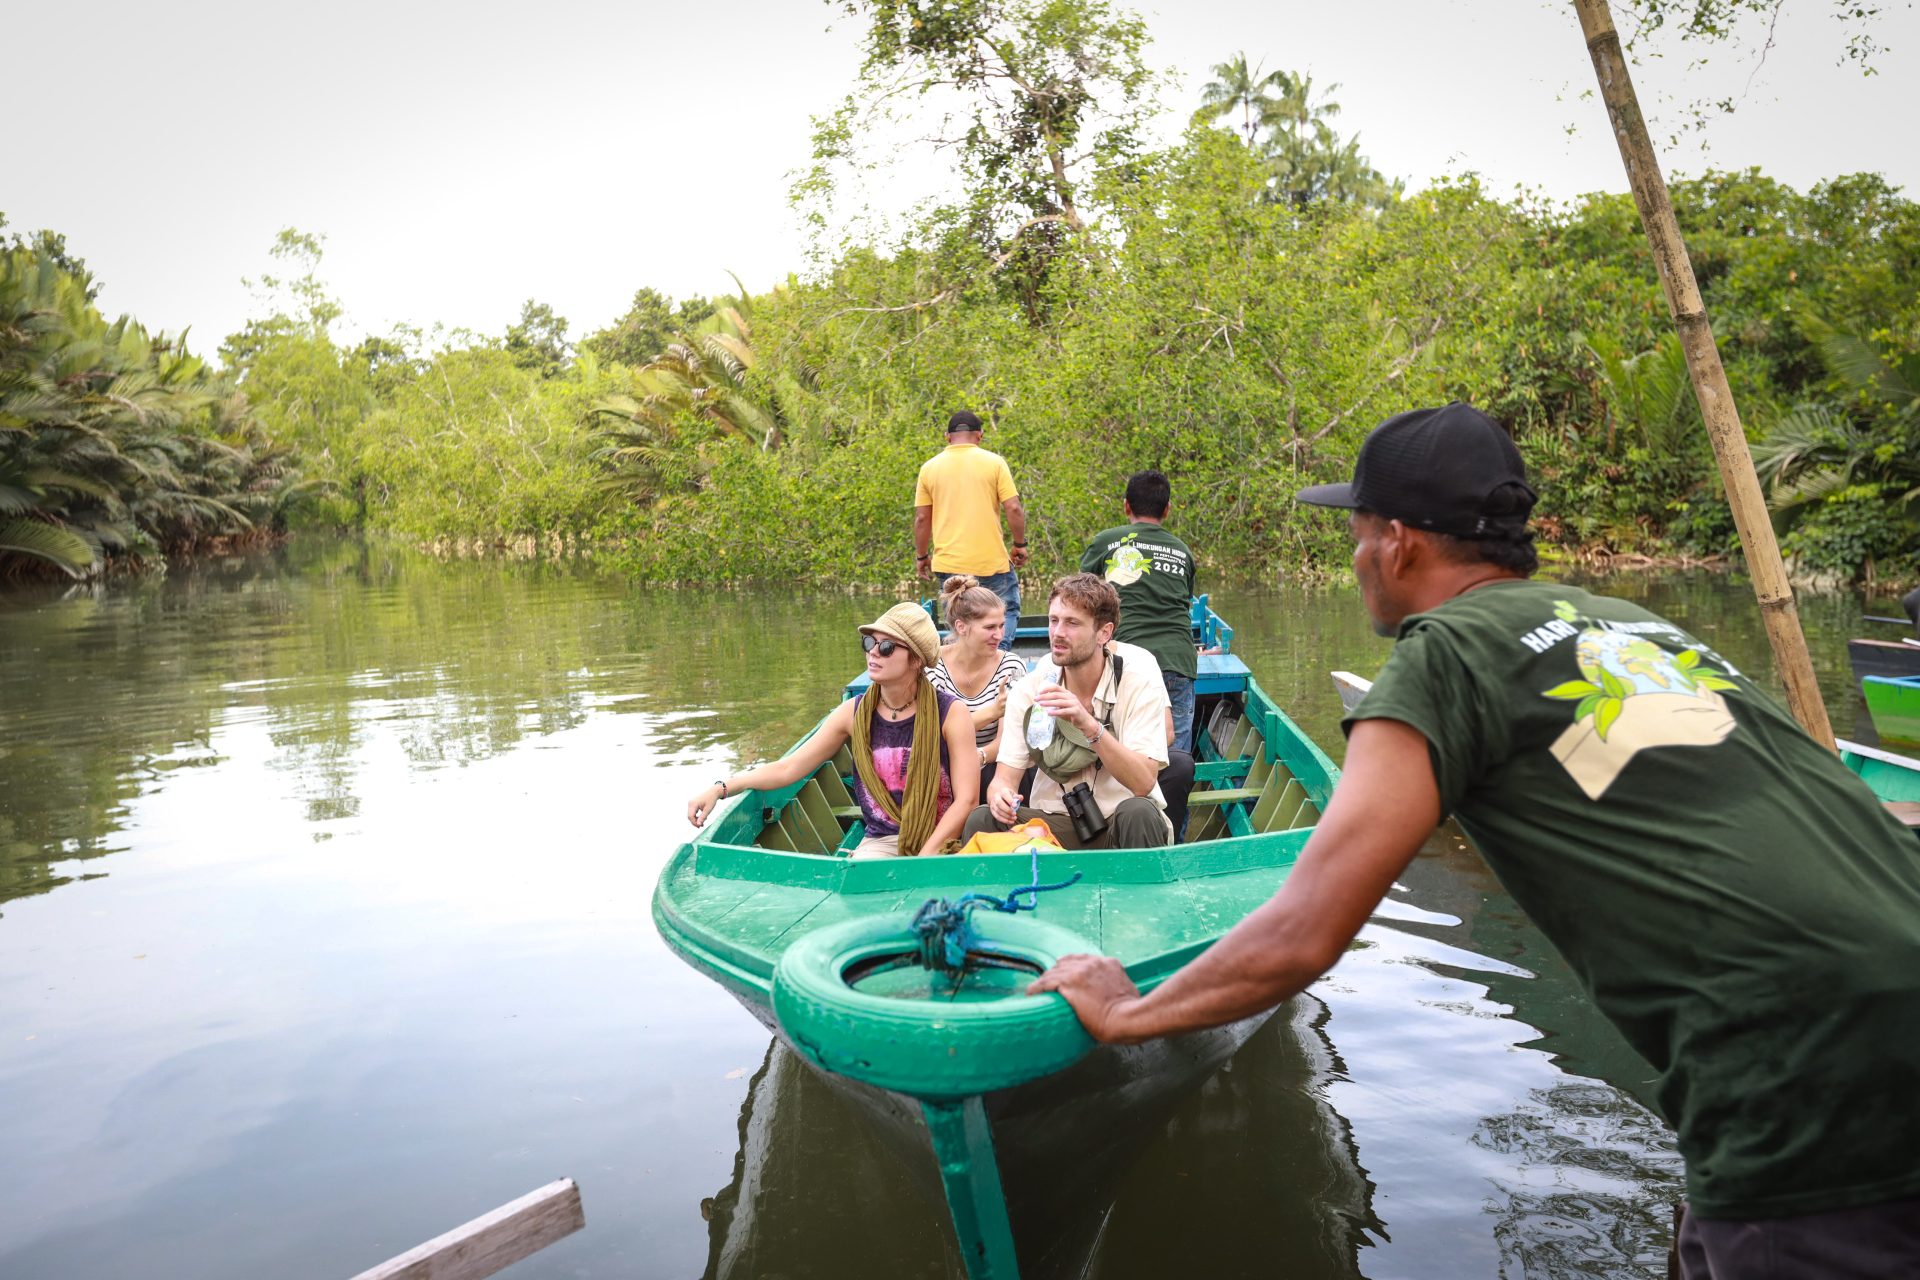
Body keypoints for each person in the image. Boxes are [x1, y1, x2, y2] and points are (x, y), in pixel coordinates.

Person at [1031, 403, 1920, 1277]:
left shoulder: (1447, 657)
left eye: (1358, 534)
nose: (1355, 558)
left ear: (1399, 543)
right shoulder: (1629, 623)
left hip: (1808, 1060)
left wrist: (1127, 1013)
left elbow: (1305, 929)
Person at [686, 602, 978, 858]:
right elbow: (789, 768)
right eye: (869, 643)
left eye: (887, 647)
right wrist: (721, 788)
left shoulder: (951, 714)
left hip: (940, 837)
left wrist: (924, 858)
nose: (873, 653)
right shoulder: (853, 714)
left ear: (916, 659)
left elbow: (967, 800)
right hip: (882, 841)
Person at [962, 573, 1174, 849]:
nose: (1058, 633)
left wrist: (1089, 726)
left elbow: (1143, 783)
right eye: (1054, 620)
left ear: (1104, 633)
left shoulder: (1138, 684)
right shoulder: (1030, 690)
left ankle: (1138, 879)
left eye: (1072, 623)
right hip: (1054, 824)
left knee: (1139, 811)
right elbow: (1004, 779)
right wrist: (1000, 796)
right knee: (983, 819)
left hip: (1120, 825)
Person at [1080, 469, 1200, 752]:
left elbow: (1080, 597)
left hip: (1124, 658)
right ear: (1167, 509)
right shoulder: (1182, 551)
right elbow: (1185, 602)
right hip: (1177, 660)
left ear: (1126, 506)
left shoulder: (1106, 541)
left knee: (1125, 750)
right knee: (1175, 758)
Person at [914, 409, 1028, 651]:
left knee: (961, 624)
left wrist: (922, 556)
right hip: (991, 562)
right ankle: (997, 660)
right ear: (980, 435)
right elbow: (1014, 508)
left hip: (950, 565)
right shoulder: (995, 463)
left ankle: (964, 666)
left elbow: (922, 519)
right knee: (1005, 612)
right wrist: (1020, 544)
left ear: (947, 437)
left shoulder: (929, 468)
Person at [928, 574, 1032, 800]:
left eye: (1002, 626)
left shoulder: (1010, 666)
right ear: (961, 627)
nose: (999, 635)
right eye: (990, 627)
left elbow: (1009, 740)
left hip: (993, 764)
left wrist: (979, 756)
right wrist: (993, 712)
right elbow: (931, 734)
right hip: (943, 765)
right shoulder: (933, 667)